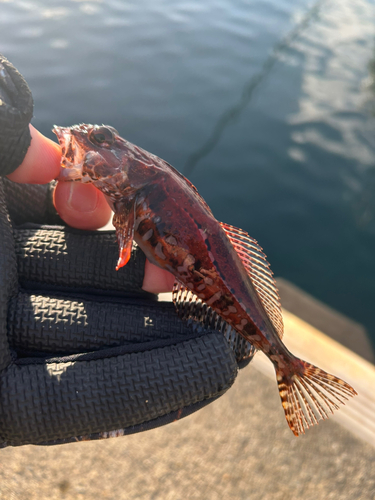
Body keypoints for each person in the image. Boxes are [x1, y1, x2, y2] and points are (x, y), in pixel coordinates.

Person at [0, 54, 246, 447]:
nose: (84, 142)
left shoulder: (142, 185)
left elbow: (127, 228)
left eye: (100, 141)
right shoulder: (138, 184)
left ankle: (286, 362)